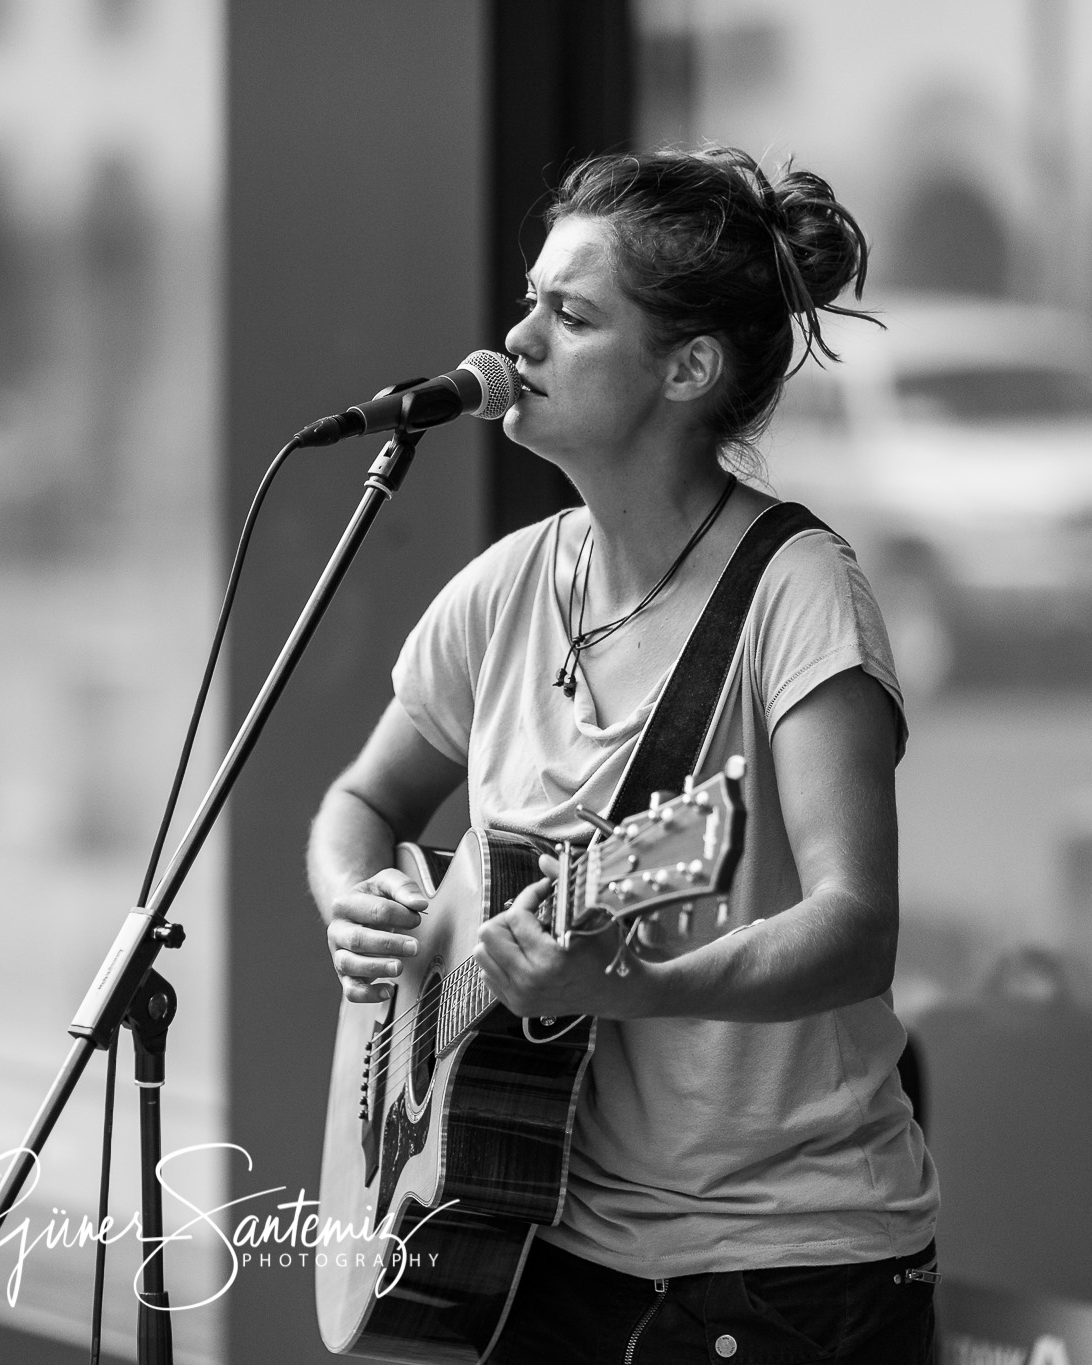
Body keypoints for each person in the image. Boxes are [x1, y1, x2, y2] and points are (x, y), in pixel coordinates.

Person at [307, 147, 938, 1363]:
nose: (514, 342)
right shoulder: (502, 589)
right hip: (544, 1248)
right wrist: (357, 902)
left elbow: (854, 927)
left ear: (685, 368)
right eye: (529, 302)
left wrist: (629, 982)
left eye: (570, 315)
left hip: (780, 1270)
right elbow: (360, 801)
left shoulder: (798, 593)